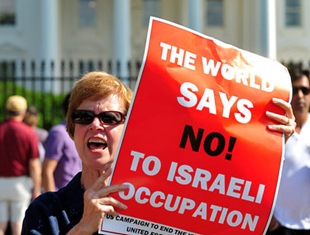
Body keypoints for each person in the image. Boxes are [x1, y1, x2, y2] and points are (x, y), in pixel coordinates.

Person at [22, 71, 295, 235]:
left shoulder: (160, 205)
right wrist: (83, 228)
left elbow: (254, 223)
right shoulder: (45, 211)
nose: (96, 124)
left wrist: (276, 144)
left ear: (129, 130)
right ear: (71, 130)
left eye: (109, 116)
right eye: (83, 117)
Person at [268, 66, 310, 234]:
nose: (300, 95)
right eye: (295, 90)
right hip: (278, 226)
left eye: (305, 90)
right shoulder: (276, 128)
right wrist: (268, 217)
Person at [0, 95, 41, 235]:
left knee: (1, 223)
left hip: (0, 182)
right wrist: (36, 188)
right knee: (18, 223)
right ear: (23, 112)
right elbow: (34, 164)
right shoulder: (28, 132)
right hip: (19, 183)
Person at [42, 93, 82, 191]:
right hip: (63, 196)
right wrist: (52, 201)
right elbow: (47, 170)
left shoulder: (83, 132)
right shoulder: (59, 133)